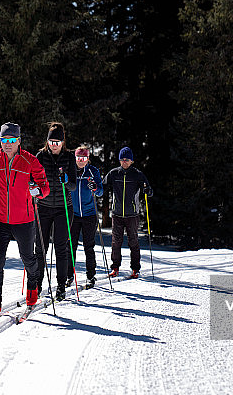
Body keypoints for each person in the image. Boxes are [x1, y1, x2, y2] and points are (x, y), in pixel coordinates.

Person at [0, 122, 50, 317]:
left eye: (11, 140)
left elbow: (45, 186)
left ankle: (32, 289)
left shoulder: (29, 161)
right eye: (4, 140)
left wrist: (38, 192)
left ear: (19, 141)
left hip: (24, 220)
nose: (7, 144)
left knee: (28, 259)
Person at [34, 122, 77, 301]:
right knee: (40, 248)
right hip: (43, 208)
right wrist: (32, 185)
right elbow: (32, 178)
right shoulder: (40, 156)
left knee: (60, 247)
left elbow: (73, 186)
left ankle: (60, 286)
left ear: (62, 142)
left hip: (63, 209)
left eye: (57, 141)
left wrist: (66, 180)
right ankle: (36, 285)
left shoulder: (69, 157)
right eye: (51, 141)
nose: (54, 144)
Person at [103, 146, 153, 279]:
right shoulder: (114, 173)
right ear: (119, 160)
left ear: (132, 161)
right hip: (117, 214)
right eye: (122, 159)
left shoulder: (137, 174)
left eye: (127, 159)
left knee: (133, 242)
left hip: (132, 214)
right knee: (116, 242)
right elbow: (102, 187)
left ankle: (135, 269)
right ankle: (115, 268)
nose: (124, 162)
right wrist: (95, 188)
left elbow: (149, 190)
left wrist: (147, 190)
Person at [69, 145, 104, 289]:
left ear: (87, 159)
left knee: (89, 246)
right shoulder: (70, 170)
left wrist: (95, 187)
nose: (81, 161)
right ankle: (69, 275)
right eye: (78, 158)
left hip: (89, 214)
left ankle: (91, 275)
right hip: (74, 215)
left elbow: (100, 192)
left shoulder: (92, 171)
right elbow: (63, 186)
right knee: (71, 246)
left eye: (83, 158)